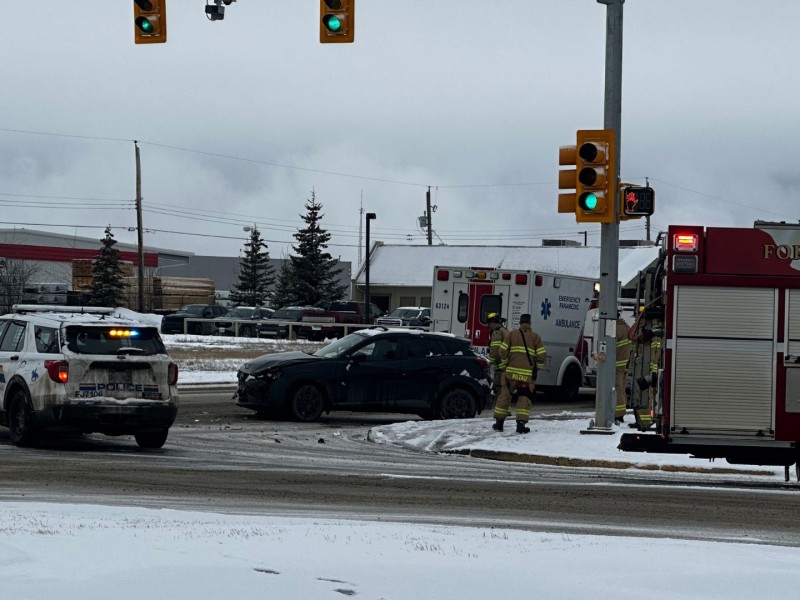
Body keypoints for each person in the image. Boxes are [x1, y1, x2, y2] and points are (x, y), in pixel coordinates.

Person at [492, 313, 546, 434]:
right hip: (526, 376)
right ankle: (521, 425)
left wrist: (506, 363)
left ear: (520, 323)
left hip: (510, 374)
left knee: (504, 396)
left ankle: (499, 423)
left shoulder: (512, 334)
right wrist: (536, 368)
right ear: (530, 323)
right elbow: (542, 356)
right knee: (524, 398)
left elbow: (502, 351)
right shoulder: (535, 337)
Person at [614, 314, 632, 424]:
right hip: (625, 364)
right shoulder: (627, 327)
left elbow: (609, 345)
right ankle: (621, 413)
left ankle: (618, 414)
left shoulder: (616, 329)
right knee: (622, 389)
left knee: (617, 389)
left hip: (617, 364)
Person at [486, 312, 508, 401]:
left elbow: (495, 351)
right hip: (506, 366)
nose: (489, 326)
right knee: (505, 390)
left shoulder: (496, 332)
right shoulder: (504, 330)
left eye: (489, 323)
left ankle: (501, 406)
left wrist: (489, 361)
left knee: (499, 389)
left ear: (493, 322)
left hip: (500, 367)